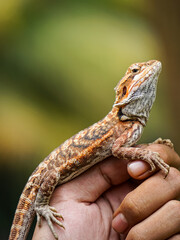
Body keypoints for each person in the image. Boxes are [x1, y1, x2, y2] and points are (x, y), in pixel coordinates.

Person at [33, 143, 180, 240]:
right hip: (43, 181)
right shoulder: (122, 123)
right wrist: (145, 154)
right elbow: (117, 149)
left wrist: (149, 150)